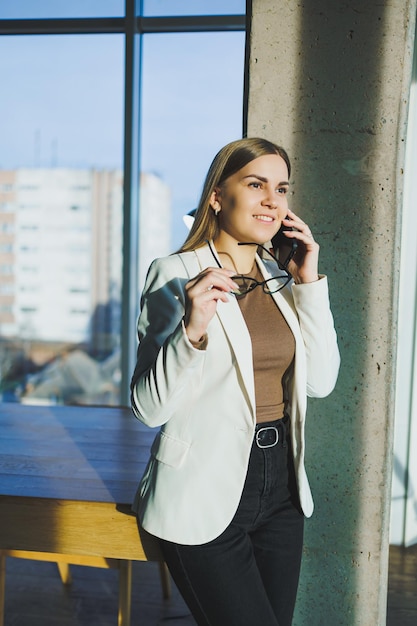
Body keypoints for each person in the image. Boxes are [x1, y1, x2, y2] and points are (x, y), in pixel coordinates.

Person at [130, 137, 340, 626]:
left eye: (282, 188)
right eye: (255, 184)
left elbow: (322, 382)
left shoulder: (280, 276)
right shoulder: (173, 275)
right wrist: (192, 328)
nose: (273, 199)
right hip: (203, 486)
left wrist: (309, 284)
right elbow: (147, 408)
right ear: (217, 197)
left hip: (283, 487)